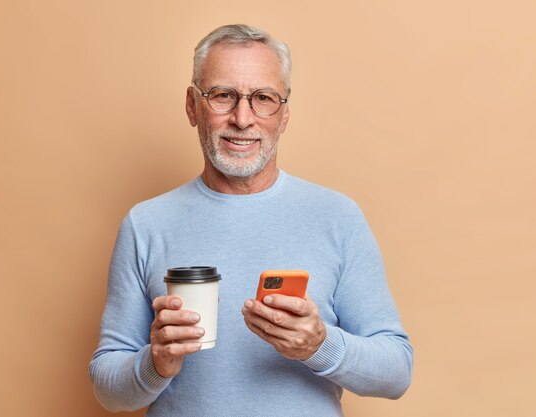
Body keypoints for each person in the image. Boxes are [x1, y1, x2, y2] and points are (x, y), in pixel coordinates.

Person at [89, 24, 413, 417]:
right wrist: (155, 363)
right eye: (223, 96)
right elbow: (108, 391)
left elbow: (396, 372)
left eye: (263, 98)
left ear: (284, 114)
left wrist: (319, 345)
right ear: (193, 106)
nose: (242, 118)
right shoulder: (146, 224)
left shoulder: (337, 217)